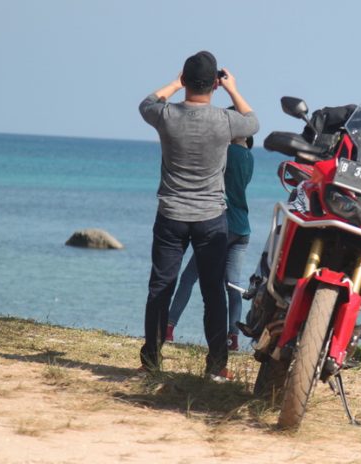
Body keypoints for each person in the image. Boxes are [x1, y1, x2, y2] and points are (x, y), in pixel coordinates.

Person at [138, 51, 258, 381]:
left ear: (186, 80)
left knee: (160, 288)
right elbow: (252, 122)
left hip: (171, 214)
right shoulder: (224, 120)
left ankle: (151, 362)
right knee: (213, 293)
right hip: (210, 218)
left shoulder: (166, 115)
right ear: (215, 85)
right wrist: (233, 89)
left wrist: (174, 85)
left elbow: (146, 103)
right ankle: (216, 366)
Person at [165, 133, 255, 352]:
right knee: (233, 285)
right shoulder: (249, 157)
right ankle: (233, 337)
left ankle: (168, 327)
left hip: (221, 224)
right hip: (242, 227)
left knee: (188, 278)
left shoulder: (227, 151)